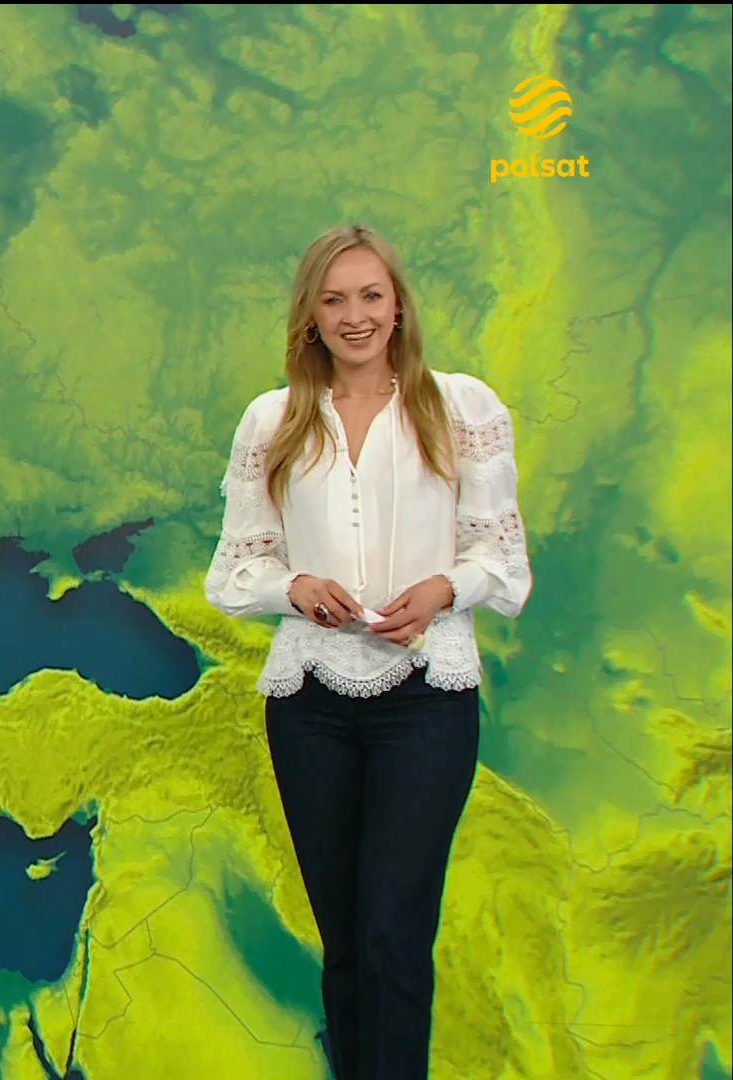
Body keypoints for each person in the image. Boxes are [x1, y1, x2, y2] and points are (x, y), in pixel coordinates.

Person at [203, 223, 532, 1080]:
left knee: (392, 931)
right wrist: (293, 588)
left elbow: (502, 556)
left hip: (426, 699)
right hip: (308, 705)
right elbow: (235, 572)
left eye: (371, 296)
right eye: (335, 299)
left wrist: (444, 589)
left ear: (398, 307)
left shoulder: (460, 409)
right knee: (346, 941)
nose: (355, 316)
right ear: (310, 315)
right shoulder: (273, 419)